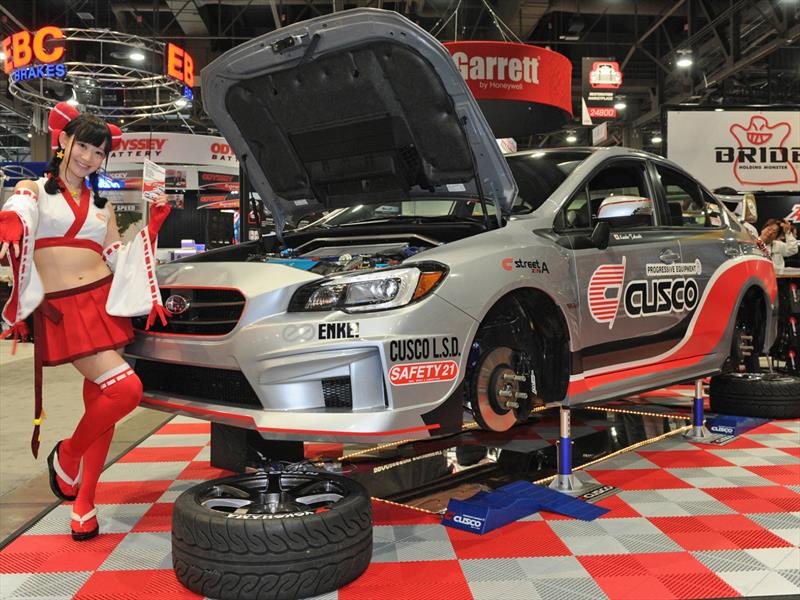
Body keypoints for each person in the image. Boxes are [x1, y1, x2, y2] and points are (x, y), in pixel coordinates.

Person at [0, 102, 171, 541]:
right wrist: (11, 229)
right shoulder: (33, 190)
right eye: (84, 146)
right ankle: (68, 457)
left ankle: (84, 501)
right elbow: (18, 213)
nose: (89, 158)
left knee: (102, 401)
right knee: (125, 389)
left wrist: (150, 228)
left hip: (102, 302)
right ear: (63, 141)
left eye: (99, 152)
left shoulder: (102, 205)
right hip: (63, 308)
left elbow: (115, 257)